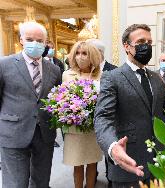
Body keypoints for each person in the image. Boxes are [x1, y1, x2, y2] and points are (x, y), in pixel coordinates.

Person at [94, 24, 165, 187]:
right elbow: (103, 117)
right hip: (129, 162)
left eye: (149, 41)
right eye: (141, 41)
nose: (146, 45)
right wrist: (112, 147)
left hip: (159, 161)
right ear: (127, 46)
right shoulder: (112, 77)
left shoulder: (156, 77)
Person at [0, 21, 62, 188]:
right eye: (29, 39)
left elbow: (57, 100)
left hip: (44, 133)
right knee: (16, 183)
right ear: (21, 40)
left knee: (41, 181)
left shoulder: (54, 70)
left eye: (40, 40)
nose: (35, 43)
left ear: (46, 42)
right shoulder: (4, 65)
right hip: (13, 133)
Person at [62, 41, 103, 188]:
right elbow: (62, 99)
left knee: (92, 162)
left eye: (84, 53)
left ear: (92, 56)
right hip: (75, 128)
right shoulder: (67, 75)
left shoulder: (101, 76)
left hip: (93, 128)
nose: (81, 57)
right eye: (78, 53)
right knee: (77, 163)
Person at [86, 38, 117, 187]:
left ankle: (111, 177)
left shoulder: (114, 70)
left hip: (108, 118)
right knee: (89, 150)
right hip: (86, 120)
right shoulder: (85, 70)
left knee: (108, 148)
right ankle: (92, 177)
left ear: (99, 53)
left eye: (89, 52)